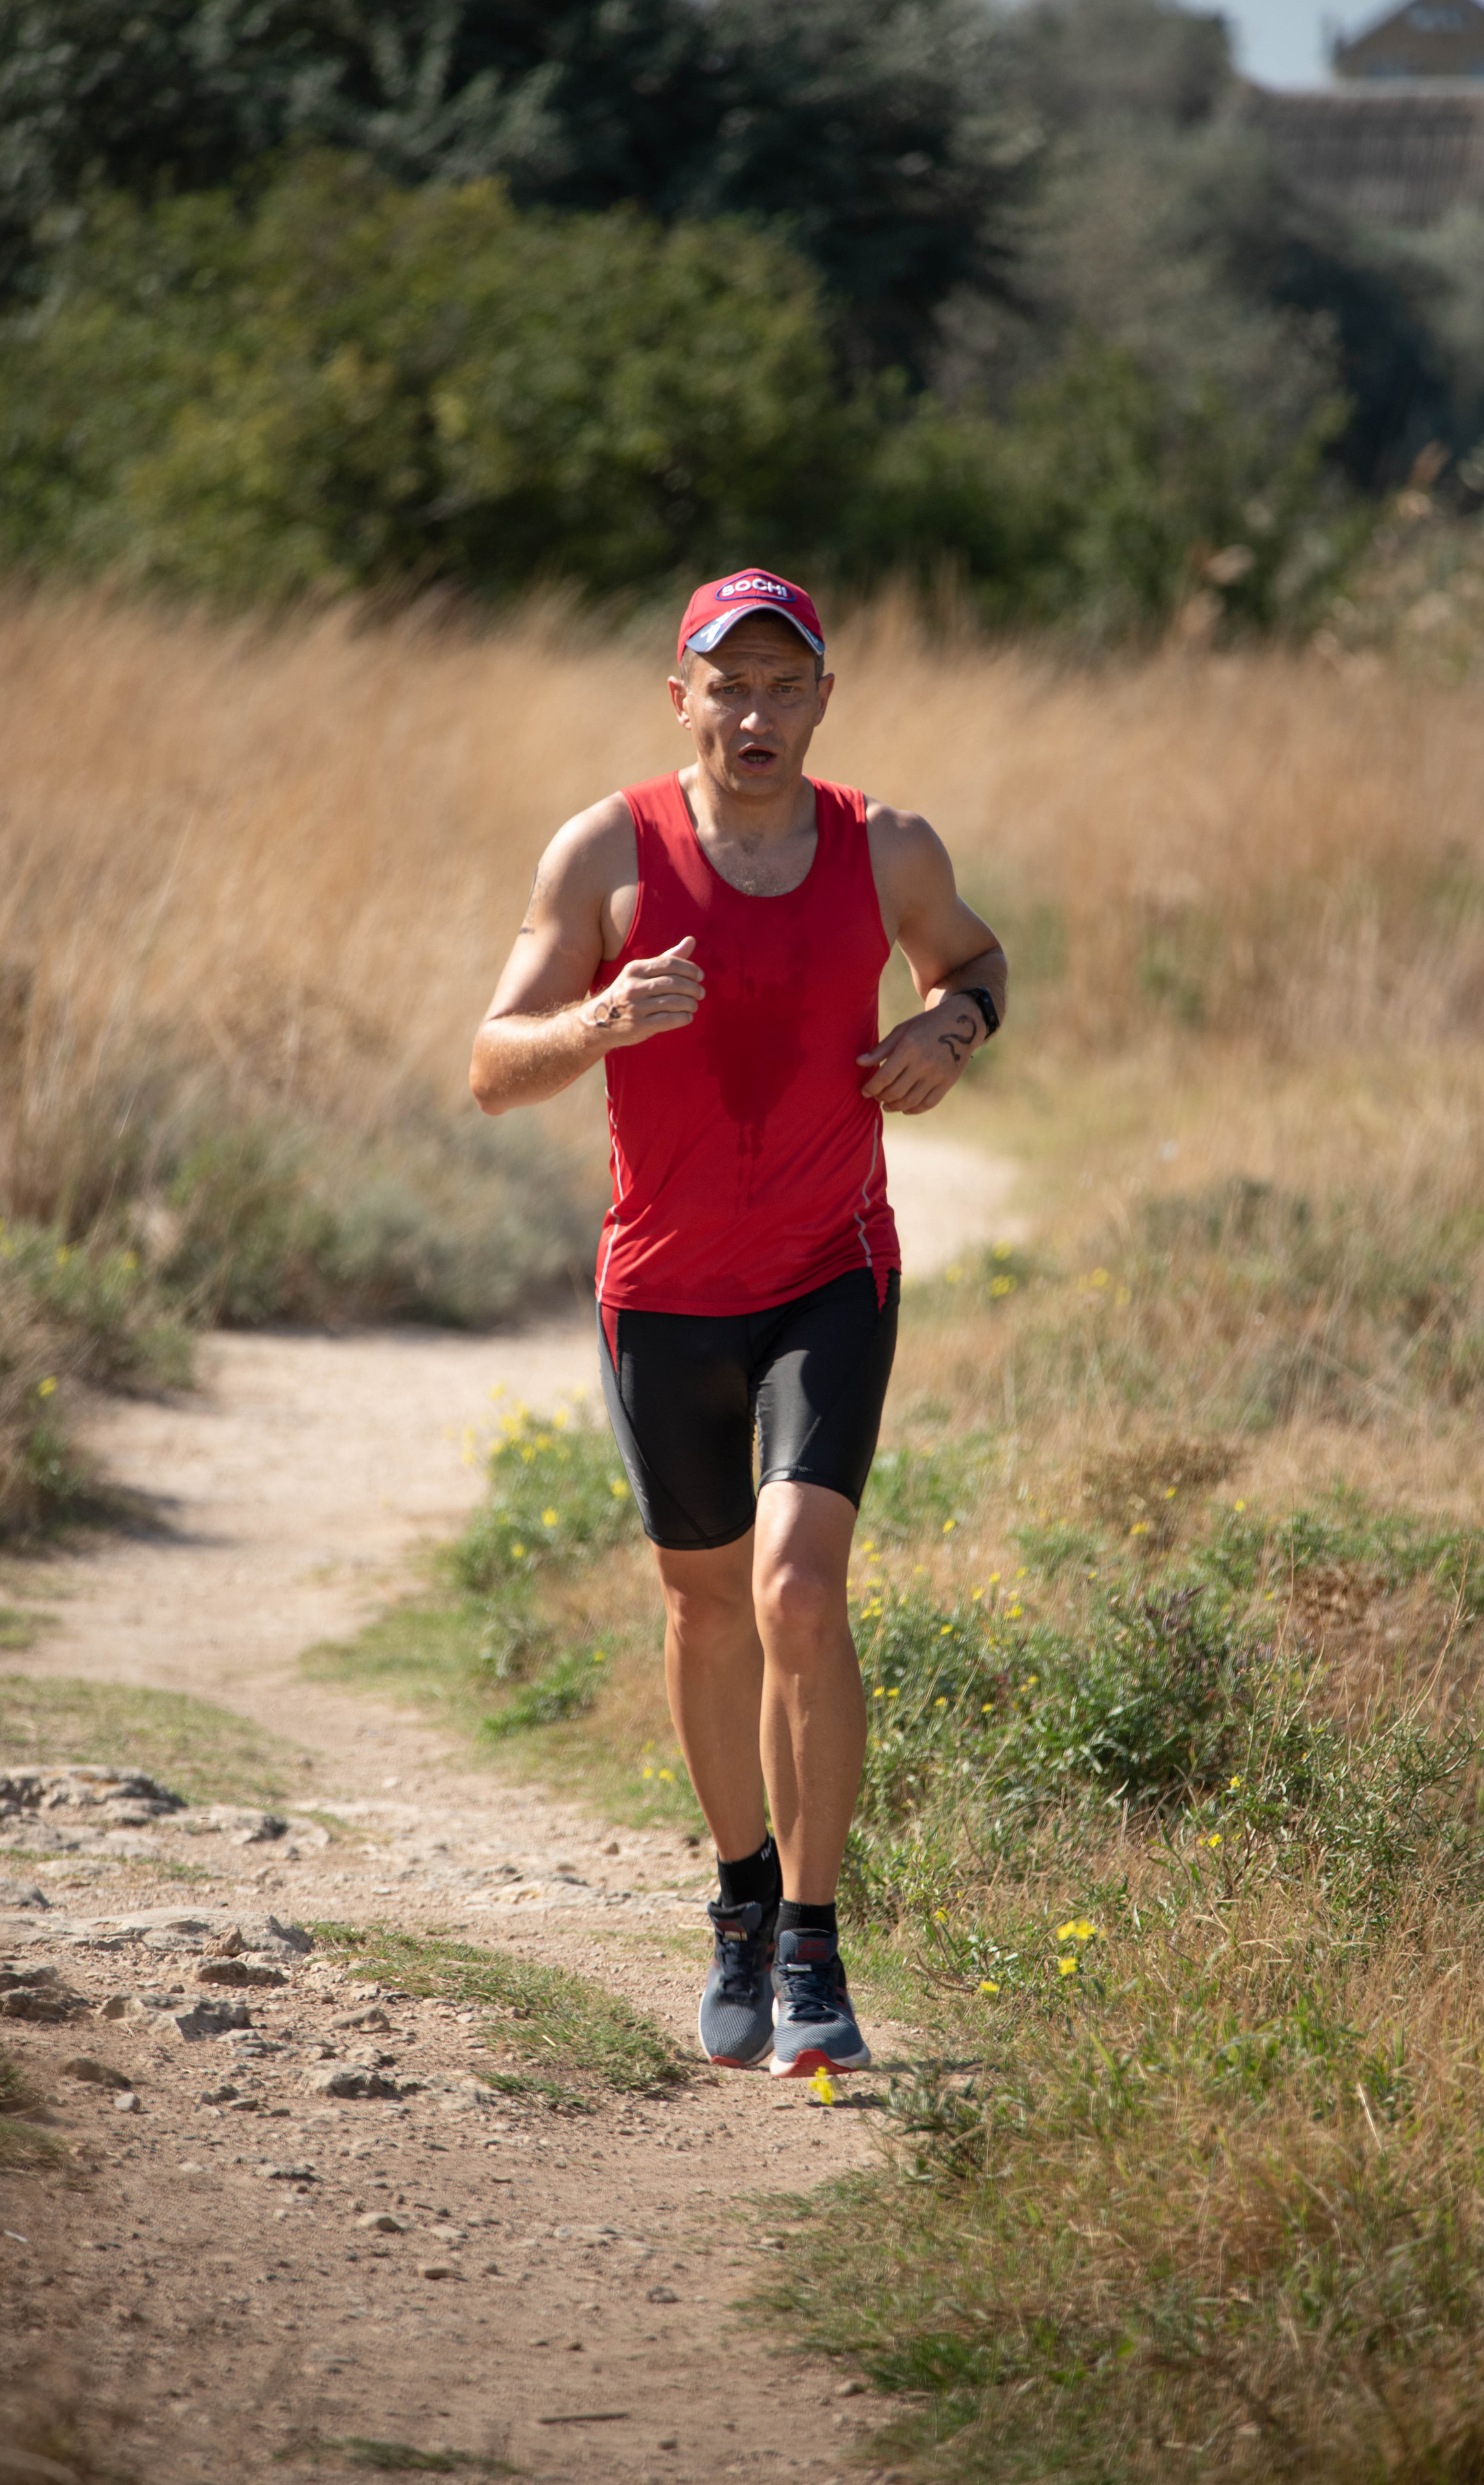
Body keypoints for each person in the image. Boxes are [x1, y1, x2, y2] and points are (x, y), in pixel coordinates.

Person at [470, 568, 1006, 2077]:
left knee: (795, 1592)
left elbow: (974, 960)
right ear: (680, 698)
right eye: (728, 685)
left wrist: (949, 1026)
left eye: (783, 685)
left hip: (831, 1269)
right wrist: (599, 1020)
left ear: (822, 698)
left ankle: (814, 1951)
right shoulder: (605, 852)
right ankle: (739, 1904)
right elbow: (490, 1064)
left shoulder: (885, 846)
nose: (754, 714)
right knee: (703, 1608)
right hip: (661, 1290)